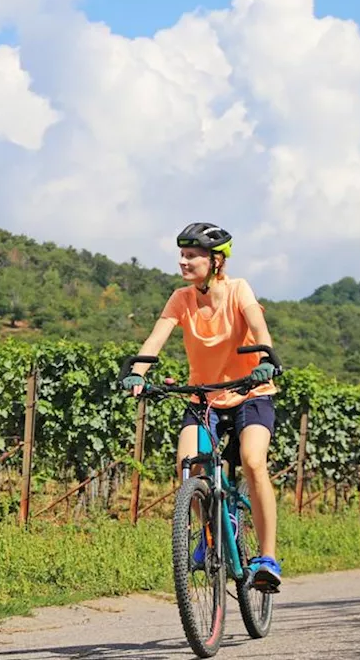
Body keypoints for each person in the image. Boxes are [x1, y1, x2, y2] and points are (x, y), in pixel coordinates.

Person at [121, 222, 284, 593]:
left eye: (192, 255)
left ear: (216, 262)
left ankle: (268, 558)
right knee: (190, 466)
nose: (184, 261)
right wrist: (137, 372)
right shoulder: (180, 298)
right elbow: (156, 338)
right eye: (182, 254)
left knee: (254, 461)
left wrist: (264, 358)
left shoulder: (238, 290)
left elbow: (258, 327)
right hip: (204, 397)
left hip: (250, 392)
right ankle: (209, 535)